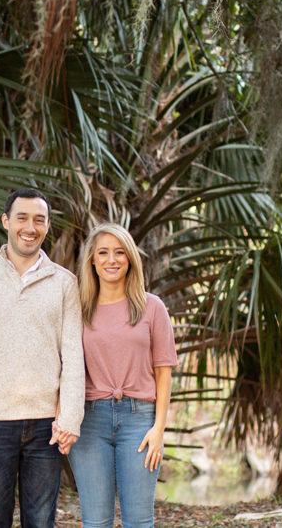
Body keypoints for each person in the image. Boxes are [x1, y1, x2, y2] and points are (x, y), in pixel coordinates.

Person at [0, 187, 85, 528]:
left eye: (39, 220)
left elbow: (72, 355)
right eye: (22, 218)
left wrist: (70, 417)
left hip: (46, 426)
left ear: (47, 225)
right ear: (6, 221)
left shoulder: (64, 284)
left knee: (41, 523)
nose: (31, 227)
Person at [63, 222, 178, 528]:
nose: (111, 260)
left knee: (139, 522)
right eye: (103, 252)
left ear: (130, 259)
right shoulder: (78, 309)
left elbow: (163, 372)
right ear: (92, 260)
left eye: (119, 252)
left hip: (139, 421)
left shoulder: (151, 307)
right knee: (96, 522)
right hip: (89, 422)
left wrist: (159, 429)